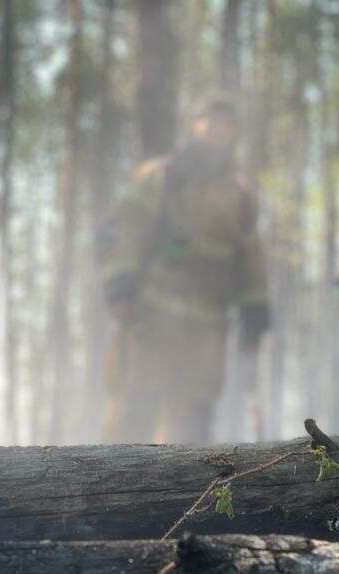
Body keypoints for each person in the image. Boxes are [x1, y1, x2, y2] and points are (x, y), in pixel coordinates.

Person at [99, 97, 269, 444]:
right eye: (209, 120)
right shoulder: (162, 174)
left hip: (207, 330)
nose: (216, 129)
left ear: (235, 133)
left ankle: (186, 494)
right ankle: (112, 488)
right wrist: (119, 284)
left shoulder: (239, 193)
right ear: (195, 125)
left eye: (226, 123)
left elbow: (250, 256)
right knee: (134, 410)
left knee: (193, 420)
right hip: (151, 319)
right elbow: (124, 227)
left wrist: (256, 305)